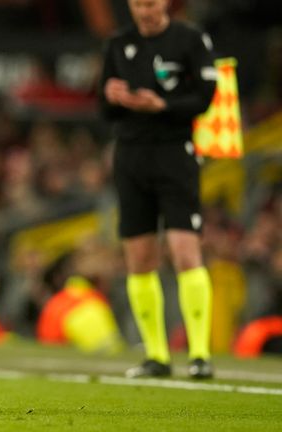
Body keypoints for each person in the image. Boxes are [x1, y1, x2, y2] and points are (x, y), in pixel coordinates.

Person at [99, 0, 217, 379]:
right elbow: (104, 108)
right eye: (137, 4)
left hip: (174, 153)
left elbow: (205, 98)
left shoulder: (190, 39)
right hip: (131, 155)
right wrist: (112, 96)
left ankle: (199, 354)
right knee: (139, 257)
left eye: (150, 3)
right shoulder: (119, 44)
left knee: (185, 251)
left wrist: (162, 105)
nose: (144, 11)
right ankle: (157, 356)